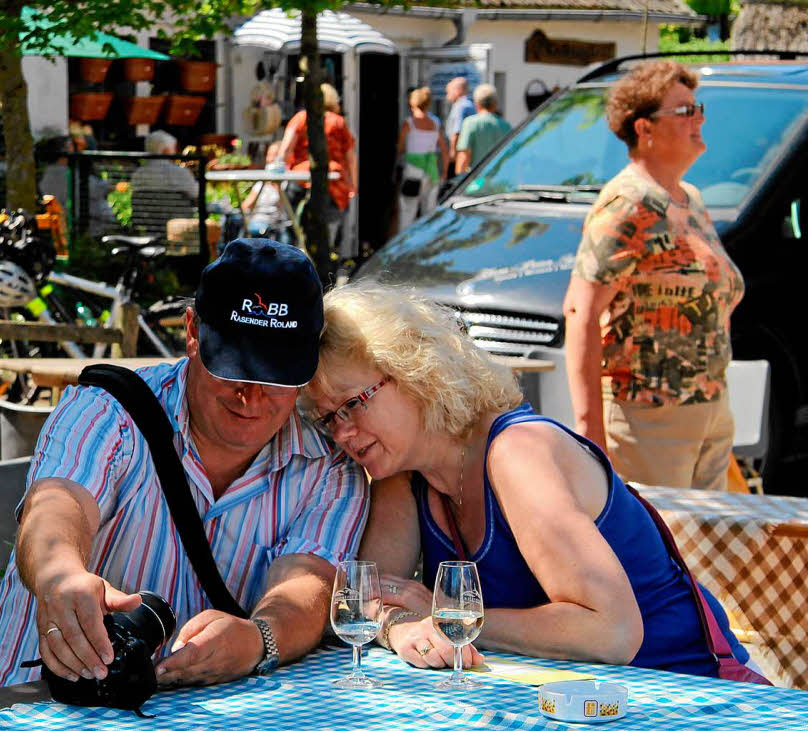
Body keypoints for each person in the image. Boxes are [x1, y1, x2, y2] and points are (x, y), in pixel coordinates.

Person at [0, 239, 369, 691]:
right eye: (234, 367)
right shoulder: (108, 409)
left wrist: (260, 640)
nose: (252, 395)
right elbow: (58, 507)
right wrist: (61, 577)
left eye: (276, 373)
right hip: (32, 703)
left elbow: (306, 586)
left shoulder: (331, 467)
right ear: (192, 331)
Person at [304, 281, 755, 679]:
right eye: (327, 420)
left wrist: (447, 618)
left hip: (685, 691)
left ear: (412, 371)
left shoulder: (516, 453)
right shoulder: (404, 473)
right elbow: (371, 596)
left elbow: (612, 632)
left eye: (353, 403)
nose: (342, 432)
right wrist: (396, 626)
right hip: (573, 703)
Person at [563, 60, 744, 492]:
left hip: (708, 415)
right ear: (645, 129)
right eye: (684, 111)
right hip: (647, 422)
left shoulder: (690, 199)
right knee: (655, 555)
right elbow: (580, 313)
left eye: (697, 108)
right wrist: (591, 437)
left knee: (704, 557)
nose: (699, 118)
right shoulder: (628, 203)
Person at [276, 83, 358, 255]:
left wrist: (281, 170)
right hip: (332, 182)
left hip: (299, 178)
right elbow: (351, 158)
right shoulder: (338, 122)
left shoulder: (301, 118)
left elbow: (284, 150)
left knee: (291, 227)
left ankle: (289, 262)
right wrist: (353, 185)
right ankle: (324, 268)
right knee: (328, 232)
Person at [396, 87, 449, 232]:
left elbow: (400, 147)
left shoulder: (409, 123)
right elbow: (444, 150)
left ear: (412, 103)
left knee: (408, 211)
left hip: (413, 170)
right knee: (429, 213)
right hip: (431, 171)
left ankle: (404, 246)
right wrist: (444, 172)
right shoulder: (435, 123)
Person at [455, 84, 512, 175]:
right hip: (499, 180)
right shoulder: (506, 126)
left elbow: (464, 155)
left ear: (476, 103)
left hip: (476, 181)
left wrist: (458, 181)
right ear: (495, 104)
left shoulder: (470, 123)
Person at [240, 141, 289, 244]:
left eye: (274, 155)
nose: (270, 159)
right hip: (256, 221)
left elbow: (286, 208)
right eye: (269, 155)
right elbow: (246, 205)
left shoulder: (286, 183)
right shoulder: (261, 182)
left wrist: (276, 184)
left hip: (274, 224)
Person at [444, 77, 475, 171]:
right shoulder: (468, 104)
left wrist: (452, 152)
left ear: (458, 90)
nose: (447, 96)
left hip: (461, 152)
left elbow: (457, 132)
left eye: (449, 92)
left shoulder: (461, 106)